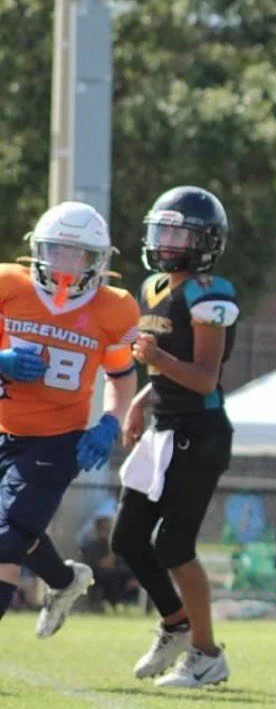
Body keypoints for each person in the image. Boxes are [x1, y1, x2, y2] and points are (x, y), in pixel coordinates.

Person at [112, 186, 239, 687]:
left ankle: (207, 656)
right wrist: (142, 402)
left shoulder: (211, 293)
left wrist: (155, 363)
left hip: (200, 432)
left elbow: (205, 377)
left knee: (175, 545)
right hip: (165, 426)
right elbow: (163, 367)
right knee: (127, 538)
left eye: (176, 232)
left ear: (203, 240)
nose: (165, 242)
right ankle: (175, 624)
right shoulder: (151, 288)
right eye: (160, 230)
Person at [0, 202, 139, 636]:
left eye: (77, 254)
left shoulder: (114, 308)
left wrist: (111, 421)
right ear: (39, 249)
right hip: (4, 428)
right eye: (57, 251)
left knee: (6, 540)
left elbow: (121, 374)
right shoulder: (7, 283)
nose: (65, 263)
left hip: (59, 439)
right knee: (15, 532)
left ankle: (61, 581)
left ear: (96, 261)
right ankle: (64, 580)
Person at [79, 512, 140, 610]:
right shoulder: (91, 547)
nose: (106, 531)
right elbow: (93, 564)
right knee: (110, 575)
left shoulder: (115, 545)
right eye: (104, 529)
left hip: (119, 574)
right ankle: (110, 603)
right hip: (100, 576)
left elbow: (122, 561)